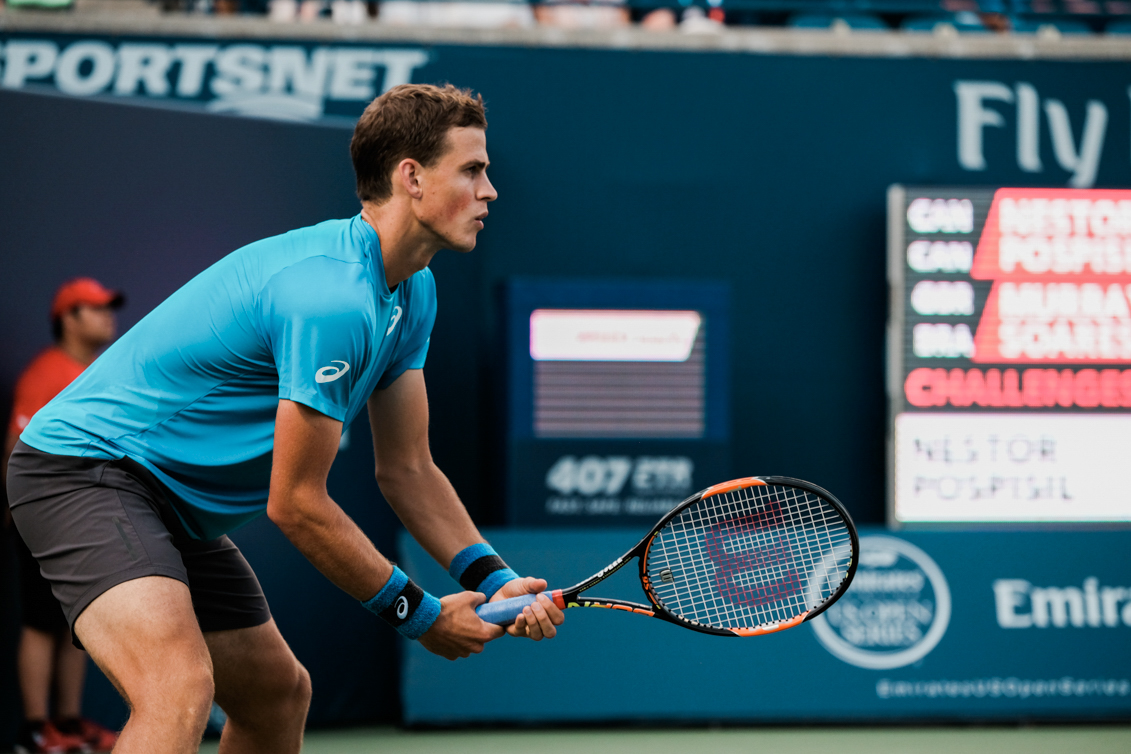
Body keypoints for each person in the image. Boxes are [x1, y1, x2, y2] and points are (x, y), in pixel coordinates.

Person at [6, 84, 564, 754]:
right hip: (86, 471)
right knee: (177, 689)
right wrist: (418, 615)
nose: (490, 191)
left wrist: (495, 581)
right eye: (472, 170)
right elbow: (296, 504)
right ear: (411, 178)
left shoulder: (414, 290)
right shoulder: (331, 298)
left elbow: (409, 470)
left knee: (276, 695)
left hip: (170, 503)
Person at [2, 278, 125, 754]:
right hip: (40, 518)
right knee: (39, 623)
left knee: (76, 624)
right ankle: (34, 732)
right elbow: (15, 450)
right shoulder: (46, 373)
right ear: (67, 319)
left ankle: (68, 725)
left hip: (81, 520)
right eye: (94, 308)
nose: (106, 316)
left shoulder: (94, 372)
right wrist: (21, 512)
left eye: (107, 307)